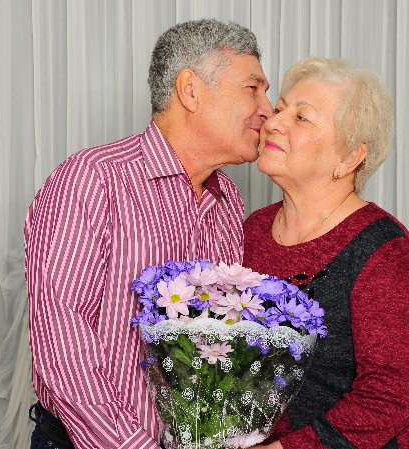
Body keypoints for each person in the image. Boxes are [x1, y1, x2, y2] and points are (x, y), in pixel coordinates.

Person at [24, 19, 272, 449]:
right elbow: (63, 344)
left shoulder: (228, 198)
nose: (267, 109)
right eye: (253, 89)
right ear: (190, 90)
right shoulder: (94, 179)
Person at [243, 57, 409, 449]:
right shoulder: (253, 229)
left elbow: (388, 399)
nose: (273, 123)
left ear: (348, 158)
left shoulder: (385, 251)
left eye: (301, 117)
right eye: (280, 109)